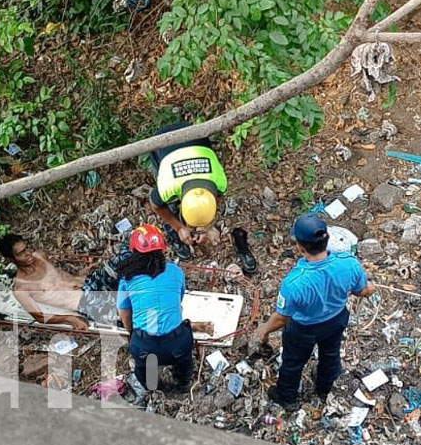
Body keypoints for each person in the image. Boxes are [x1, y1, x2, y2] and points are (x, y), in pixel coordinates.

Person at [256, 214, 375, 411]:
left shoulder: (294, 283)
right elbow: (361, 290)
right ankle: (325, 388)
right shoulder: (349, 263)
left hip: (304, 329)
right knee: (330, 354)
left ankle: (287, 397)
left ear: (300, 248)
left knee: (293, 362)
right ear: (327, 238)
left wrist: (265, 330)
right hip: (336, 320)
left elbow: (282, 317)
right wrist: (370, 289)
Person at [148, 122, 257, 274]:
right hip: (163, 140)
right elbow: (156, 205)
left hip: (194, 132)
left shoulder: (219, 181)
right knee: (169, 204)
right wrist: (179, 227)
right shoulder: (167, 187)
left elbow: (216, 200)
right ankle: (172, 231)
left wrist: (206, 226)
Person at [116, 225, 195, 397]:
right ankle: (183, 382)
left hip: (145, 347)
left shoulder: (127, 279)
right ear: (162, 249)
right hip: (177, 345)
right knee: (185, 359)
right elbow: (178, 300)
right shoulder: (175, 271)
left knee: (143, 368)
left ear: (134, 251)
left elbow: (125, 316)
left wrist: (133, 334)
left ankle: (152, 387)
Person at [0, 234, 132, 330]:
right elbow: (40, 317)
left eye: (27, 248)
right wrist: (70, 319)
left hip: (92, 281)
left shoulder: (40, 256)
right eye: (21, 253)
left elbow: (59, 276)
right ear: (11, 259)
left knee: (125, 256)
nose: (28, 253)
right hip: (84, 301)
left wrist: (79, 273)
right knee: (125, 317)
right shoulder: (21, 289)